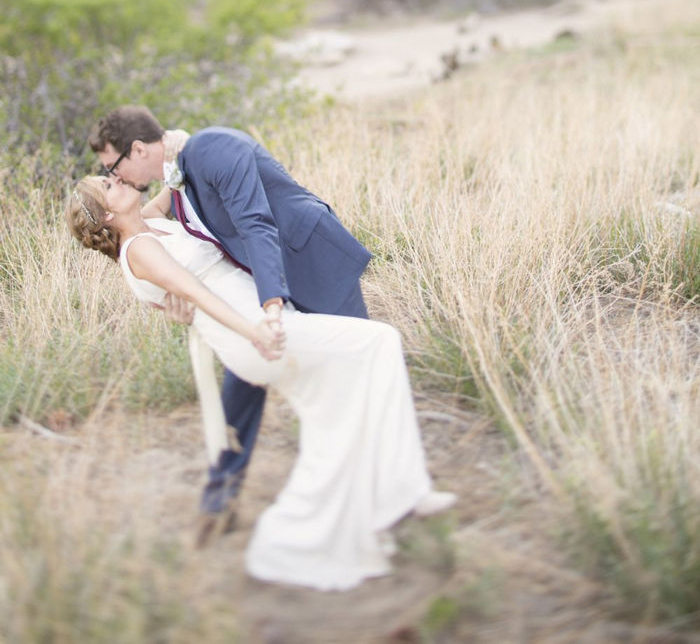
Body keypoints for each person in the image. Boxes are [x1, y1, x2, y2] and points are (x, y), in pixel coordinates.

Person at [66, 175, 456, 590]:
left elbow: (171, 184)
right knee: (379, 342)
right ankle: (402, 490)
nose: (119, 179)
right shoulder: (139, 249)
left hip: (259, 319)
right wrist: (252, 330)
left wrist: (177, 159)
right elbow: (195, 293)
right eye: (108, 185)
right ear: (108, 214)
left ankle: (333, 522)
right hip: (246, 331)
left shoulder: (147, 222)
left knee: (333, 410)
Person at [88, 106, 373, 536]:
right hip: (249, 291)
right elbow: (138, 243)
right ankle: (221, 496)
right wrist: (168, 300)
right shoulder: (172, 181)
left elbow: (255, 224)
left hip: (307, 260)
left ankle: (372, 484)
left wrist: (270, 304)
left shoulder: (209, 150)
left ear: (139, 149)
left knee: (362, 362)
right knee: (244, 381)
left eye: (113, 167)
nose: (118, 177)